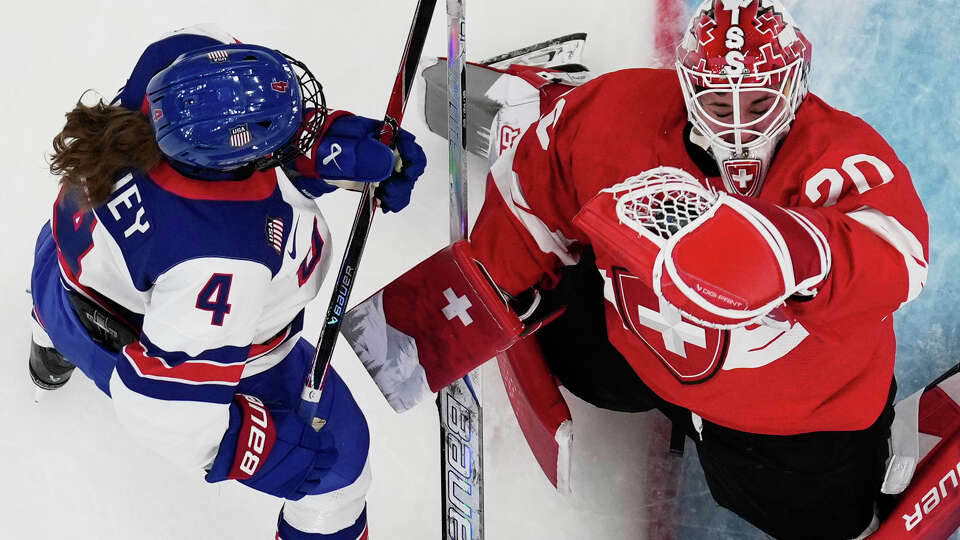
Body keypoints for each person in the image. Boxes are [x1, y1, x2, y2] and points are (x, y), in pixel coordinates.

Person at [464, 1, 928, 538]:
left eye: (757, 103)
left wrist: (794, 253)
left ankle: (863, 456)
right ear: (687, 88)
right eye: (715, 102)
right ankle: (544, 101)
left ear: (794, 88)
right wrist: (493, 280)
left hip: (788, 419)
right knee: (590, 372)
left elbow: (899, 254)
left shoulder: (839, 156)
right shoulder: (617, 113)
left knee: (828, 521)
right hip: (643, 350)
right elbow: (538, 179)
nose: (735, 127)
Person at [28, 25, 426, 540]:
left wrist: (327, 147)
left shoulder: (170, 63)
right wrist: (259, 447)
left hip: (62, 275)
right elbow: (165, 411)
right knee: (335, 469)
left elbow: (230, 115)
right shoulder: (218, 263)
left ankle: (48, 349)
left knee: (67, 296)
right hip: (190, 348)